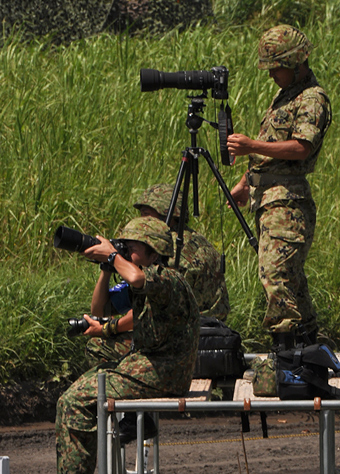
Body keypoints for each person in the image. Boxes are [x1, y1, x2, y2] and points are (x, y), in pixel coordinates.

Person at [56, 216, 200, 473]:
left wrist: (112, 256)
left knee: (73, 401)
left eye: (132, 248)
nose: (127, 252)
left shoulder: (167, 280)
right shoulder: (145, 282)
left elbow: (135, 278)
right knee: (97, 349)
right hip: (156, 365)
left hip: (165, 372)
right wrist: (106, 269)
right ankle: (128, 417)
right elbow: (99, 309)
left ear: (154, 253)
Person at [227, 25, 332, 349]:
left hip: (287, 204)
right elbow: (273, 149)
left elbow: (301, 148)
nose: (272, 74)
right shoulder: (284, 96)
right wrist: (246, 182)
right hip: (269, 199)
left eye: (277, 67)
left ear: (297, 63)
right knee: (293, 283)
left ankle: (287, 364)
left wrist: (250, 145)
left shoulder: (312, 99)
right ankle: (309, 355)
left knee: (276, 278)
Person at [85, 182, 230, 364]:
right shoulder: (197, 242)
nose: (142, 222)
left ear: (170, 216)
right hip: (213, 336)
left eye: (147, 215)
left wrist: (108, 329)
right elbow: (101, 310)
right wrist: (107, 267)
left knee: (98, 346)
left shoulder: (171, 254)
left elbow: (147, 312)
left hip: (188, 342)